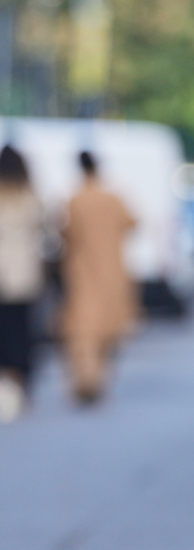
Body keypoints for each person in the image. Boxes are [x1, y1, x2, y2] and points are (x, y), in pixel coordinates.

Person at [60, 151, 138, 404]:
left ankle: (87, 379)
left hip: (84, 272)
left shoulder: (76, 199)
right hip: (113, 271)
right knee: (108, 331)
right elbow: (133, 223)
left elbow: (67, 233)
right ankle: (96, 379)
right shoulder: (113, 197)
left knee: (84, 332)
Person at [0, 145, 46, 421]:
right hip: (25, 275)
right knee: (22, 330)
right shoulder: (31, 195)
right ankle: (20, 381)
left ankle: (6, 378)